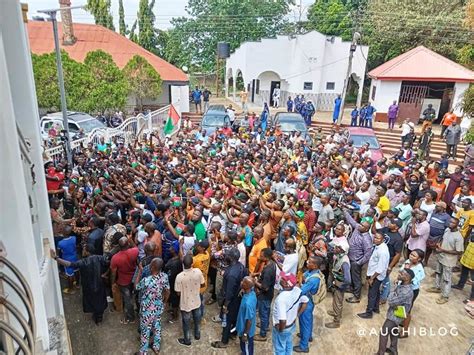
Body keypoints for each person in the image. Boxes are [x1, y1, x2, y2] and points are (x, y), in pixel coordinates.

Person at [51, 246, 109, 324]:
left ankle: (96, 315)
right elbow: (110, 262)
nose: (83, 251)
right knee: (100, 300)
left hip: (88, 286)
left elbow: (69, 264)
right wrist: (105, 274)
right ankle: (99, 317)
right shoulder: (100, 258)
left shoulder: (83, 262)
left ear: (88, 252)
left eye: (84, 250)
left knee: (92, 300)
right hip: (99, 284)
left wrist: (56, 258)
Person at [211, 248, 247, 349]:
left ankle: (224, 341)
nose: (225, 256)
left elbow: (229, 292)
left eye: (227, 255)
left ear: (230, 258)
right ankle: (233, 333)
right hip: (238, 298)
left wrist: (225, 305)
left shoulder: (231, 274)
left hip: (231, 300)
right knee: (235, 317)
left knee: (226, 321)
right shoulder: (241, 266)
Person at [376, 269, 415, 355]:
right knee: (393, 330)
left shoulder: (406, 291)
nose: (399, 274)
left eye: (402, 273)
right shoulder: (403, 285)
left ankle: (380, 353)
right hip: (396, 312)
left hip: (396, 315)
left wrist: (393, 288)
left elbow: (390, 301)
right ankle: (393, 350)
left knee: (384, 332)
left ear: (407, 277)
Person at [136, 258, 170, 354]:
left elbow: (136, 286)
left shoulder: (146, 280)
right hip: (158, 306)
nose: (150, 266)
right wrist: (164, 301)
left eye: (151, 264)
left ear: (153, 267)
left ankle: (143, 352)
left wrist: (140, 271)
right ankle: (156, 347)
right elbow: (167, 291)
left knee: (145, 331)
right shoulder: (164, 277)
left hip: (147, 309)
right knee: (157, 327)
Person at [426, 218, 464, 304]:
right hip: (441, 256)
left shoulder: (458, 237)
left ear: (457, 225)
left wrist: (443, 250)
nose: (450, 224)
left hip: (449, 261)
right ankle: (437, 287)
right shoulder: (447, 230)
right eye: (450, 222)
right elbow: (443, 238)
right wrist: (439, 244)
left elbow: (459, 251)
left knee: (447, 279)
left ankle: (445, 296)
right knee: (438, 272)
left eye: (453, 223)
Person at [271, 272, 309, 354]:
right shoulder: (297, 290)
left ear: (287, 285)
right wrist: (296, 315)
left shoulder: (281, 299)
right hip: (291, 325)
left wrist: (280, 330)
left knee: (279, 349)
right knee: (288, 344)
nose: (281, 279)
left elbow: (283, 320)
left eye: (283, 279)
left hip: (283, 327)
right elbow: (305, 302)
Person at [294, 255, 324, 353]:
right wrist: (300, 280)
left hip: (307, 302)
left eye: (309, 262)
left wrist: (298, 283)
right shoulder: (313, 272)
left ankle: (304, 346)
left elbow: (301, 290)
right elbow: (303, 276)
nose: (307, 262)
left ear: (315, 266)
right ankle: (308, 336)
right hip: (308, 299)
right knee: (308, 320)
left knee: (304, 322)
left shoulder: (313, 279)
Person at [358, 232, 390, 319]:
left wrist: (372, 278)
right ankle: (376, 308)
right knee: (376, 292)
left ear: (383, 240)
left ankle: (369, 313)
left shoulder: (382, 251)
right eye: (375, 237)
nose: (375, 239)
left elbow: (380, 268)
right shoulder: (378, 246)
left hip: (376, 276)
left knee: (371, 294)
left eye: (378, 238)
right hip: (373, 273)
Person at [175, 254, 205, 346]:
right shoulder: (198, 271)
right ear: (192, 264)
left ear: (183, 264)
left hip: (185, 303)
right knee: (197, 318)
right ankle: (197, 334)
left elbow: (178, 292)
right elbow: (203, 285)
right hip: (196, 300)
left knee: (186, 323)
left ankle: (187, 340)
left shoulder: (179, 276)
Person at [344, 209, 372, 303]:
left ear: (367, 229)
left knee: (357, 279)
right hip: (350, 257)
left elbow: (367, 254)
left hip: (356, 261)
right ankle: (352, 288)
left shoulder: (366, 239)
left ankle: (357, 296)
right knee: (351, 275)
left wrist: (358, 262)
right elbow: (351, 221)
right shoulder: (357, 228)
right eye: (360, 224)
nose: (360, 225)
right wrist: (345, 211)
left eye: (362, 226)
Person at [110, 236, 139, 324]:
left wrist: (113, 282)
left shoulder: (115, 258)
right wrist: (130, 240)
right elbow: (136, 247)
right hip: (134, 279)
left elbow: (113, 273)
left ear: (119, 246)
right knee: (135, 296)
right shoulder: (134, 251)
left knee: (128, 299)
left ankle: (130, 318)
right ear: (128, 244)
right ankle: (137, 312)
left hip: (123, 281)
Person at [325, 238, 351, 328]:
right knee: (336, 301)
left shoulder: (344, 262)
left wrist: (340, 286)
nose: (334, 248)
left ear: (341, 250)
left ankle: (336, 321)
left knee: (338, 301)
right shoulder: (339, 256)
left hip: (339, 285)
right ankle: (336, 313)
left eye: (336, 247)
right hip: (336, 282)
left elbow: (348, 279)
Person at [399, 249, 425, 336]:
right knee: (400, 305)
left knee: (407, 309)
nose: (411, 256)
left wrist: (407, 271)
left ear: (419, 259)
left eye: (414, 256)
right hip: (402, 287)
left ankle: (405, 331)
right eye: (411, 254)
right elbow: (401, 271)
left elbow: (412, 280)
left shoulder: (419, 269)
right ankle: (402, 321)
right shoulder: (407, 262)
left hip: (412, 290)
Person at [253, 248, 276, 342]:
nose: (260, 257)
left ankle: (263, 334)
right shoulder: (271, 264)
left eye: (261, 256)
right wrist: (257, 273)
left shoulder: (268, 270)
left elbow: (265, 287)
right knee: (266, 311)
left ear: (266, 258)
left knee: (263, 314)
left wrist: (255, 282)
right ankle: (265, 326)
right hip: (269, 294)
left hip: (264, 296)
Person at [236, 276, 257, 355]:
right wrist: (243, 290)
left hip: (246, 330)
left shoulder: (248, 303)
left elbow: (249, 320)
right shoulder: (251, 292)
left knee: (247, 348)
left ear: (247, 286)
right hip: (242, 326)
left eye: (244, 282)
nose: (241, 282)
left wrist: (245, 334)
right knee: (244, 346)